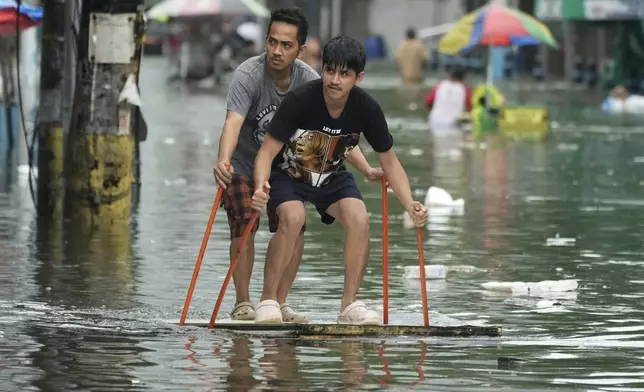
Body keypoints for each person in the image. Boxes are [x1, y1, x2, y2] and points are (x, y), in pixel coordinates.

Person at [214, 9, 382, 323]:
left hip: (288, 167)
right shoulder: (247, 74)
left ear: (300, 49)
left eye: (286, 45)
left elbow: (334, 136)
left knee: (295, 222)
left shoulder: (310, 80)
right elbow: (233, 123)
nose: (277, 51)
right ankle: (244, 302)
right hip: (245, 160)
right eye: (272, 42)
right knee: (244, 217)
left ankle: (278, 301)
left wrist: (367, 169)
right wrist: (223, 160)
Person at [250, 36, 429, 325]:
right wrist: (260, 186)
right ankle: (268, 300)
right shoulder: (299, 100)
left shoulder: (367, 109)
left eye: (344, 74)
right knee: (293, 218)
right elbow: (266, 152)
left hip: (332, 175)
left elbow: (389, 161)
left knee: (359, 217)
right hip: (289, 174)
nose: (334, 80)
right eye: (330, 71)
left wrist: (410, 205)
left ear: (358, 77)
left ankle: (349, 305)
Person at [425, 67, 472, 131]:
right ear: (463, 78)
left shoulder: (440, 85)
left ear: (450, 75)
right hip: (453, 125)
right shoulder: (464, 89)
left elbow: (428, 102)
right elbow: (470, 108)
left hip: (434, 121)